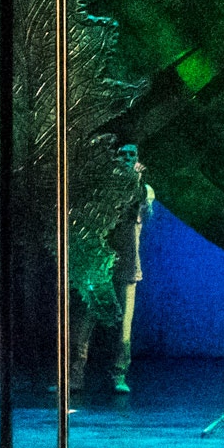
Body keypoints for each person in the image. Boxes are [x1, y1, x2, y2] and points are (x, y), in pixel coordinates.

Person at [69, 143, 154, 394]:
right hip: (97, 265)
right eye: (122, 154)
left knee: (123, 326)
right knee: (83, 323)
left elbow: (145, 210)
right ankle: (74, 375)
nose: (126, 158)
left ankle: (119, 374)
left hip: (127, 265)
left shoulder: (144, 189)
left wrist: (135, 179)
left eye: (131, 155)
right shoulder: (100, 190)